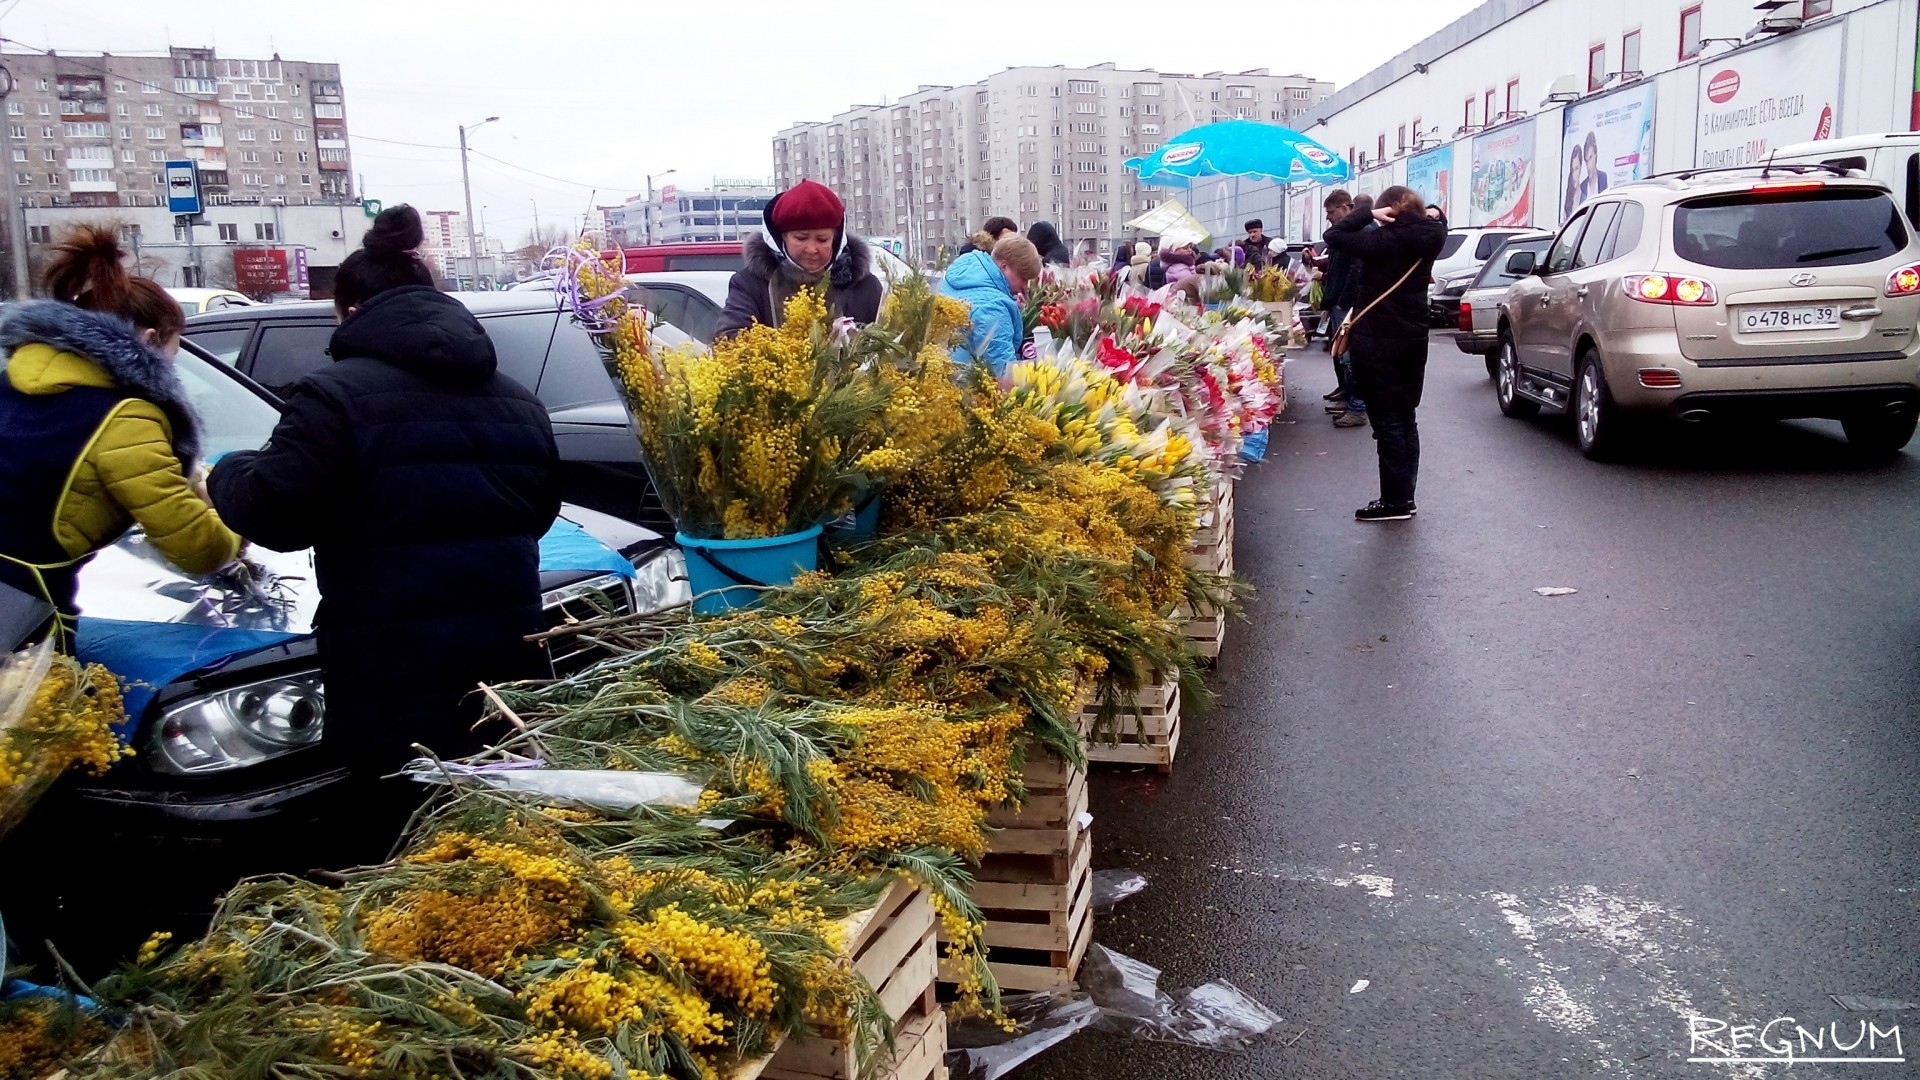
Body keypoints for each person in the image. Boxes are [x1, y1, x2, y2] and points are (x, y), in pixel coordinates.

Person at [208, 205, 560, 817]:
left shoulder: (333, 396)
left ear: (349, 310)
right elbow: (538, 513)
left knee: (402, 831)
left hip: (389, 672)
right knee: (500, 822)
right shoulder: (520, 402)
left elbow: (275, 515)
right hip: (507, 662)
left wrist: (226, 470)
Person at [0, 225, 242, 645]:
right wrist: (235, 525)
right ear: (149, 340)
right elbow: (197, 547)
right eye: (174, 349)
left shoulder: (10, 385)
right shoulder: (125, 416)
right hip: (24, 619)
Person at [1322, 185, 1449, 522]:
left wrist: (1368, 214)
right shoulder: (1432, 235)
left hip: (1379, 343)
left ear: (1390, 210)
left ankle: (1395, 502)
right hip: (1412, 341)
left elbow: (1333, 235)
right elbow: (1438, 220)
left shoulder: (1383, 242)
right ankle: (1404, 496)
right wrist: (1427, 213)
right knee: (1406, 420)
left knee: (1389, 425)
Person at [716, 179, 884, 338]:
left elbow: (890, 341)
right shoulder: (750, 285)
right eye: (801, 238)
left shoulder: (865, 286)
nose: (811, 249)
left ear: (836, 239)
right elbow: (729, 337)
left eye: (822, 240)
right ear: (782, 237)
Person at [939, 235, 1042, 376]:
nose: (1025, 287)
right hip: (968, 389)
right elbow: (1004, 371)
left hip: (943, 378)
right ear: (1004, 266)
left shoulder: (962, 276)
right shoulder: (993, 307)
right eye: (1023, 278)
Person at [1317, 190, 1371, 428]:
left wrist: (1342, 301)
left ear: (1345, 208)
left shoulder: (1360, 232)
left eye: (1330, 212)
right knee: (1344, 355)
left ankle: (1358, 406)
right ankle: (1351, 400)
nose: (1328, 217)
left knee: (1350, 356)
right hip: (1342, 301)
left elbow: (1355, 272)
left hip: (1349, 304)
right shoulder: (1349, 234)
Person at [1583, 132, 1609, 198]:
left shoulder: (1603, 177)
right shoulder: (1582, 187)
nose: (1588, 165)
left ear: (1595, 155)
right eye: (1587, 160)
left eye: (1590, 157)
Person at [1564, 146, 1585, 220]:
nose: (1574, 174)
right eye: (1572, 170)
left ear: (1581, 168)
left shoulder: (1585, 199)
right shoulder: (1568, 198)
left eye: (1577, 169)